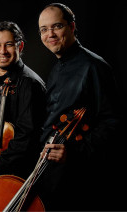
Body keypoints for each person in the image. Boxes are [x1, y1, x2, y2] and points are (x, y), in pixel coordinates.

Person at [37, 3, 123, 211]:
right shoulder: (57, 67)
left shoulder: (94, 66)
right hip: (50, 174)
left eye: (56, 26)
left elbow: (112, 124)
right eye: (44, 29)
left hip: (77, 179)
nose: (50, 34)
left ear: (72, 27)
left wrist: (74, 152)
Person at [0, 21, 46, 189]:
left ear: (20, 46)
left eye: (9, 45)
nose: (2, 51)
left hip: (14, 174)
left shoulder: (30, 83)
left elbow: (27, 138)